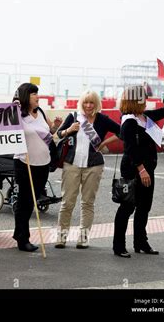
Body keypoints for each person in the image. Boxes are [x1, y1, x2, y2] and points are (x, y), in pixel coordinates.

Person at [113, 75, 164, 258]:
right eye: (144, 98)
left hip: (148, 169)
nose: (146, 100)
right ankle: (119, 246)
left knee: (144, 206)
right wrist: (141, 169)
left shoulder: (145, 117)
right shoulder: (129, 122)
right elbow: (130, 149)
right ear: (134, 100)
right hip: (134, 170)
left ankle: (140, 242)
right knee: (127, 207)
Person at [55, 90, 121, 249]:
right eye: (86, 102)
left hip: (94, 166)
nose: (88, 105)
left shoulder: (103, 119)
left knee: (88, 203)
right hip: (72, 164)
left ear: (96, 104)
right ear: (81, 103)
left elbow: (122, 132)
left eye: (92, 102)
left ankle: (83, 239)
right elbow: (59, 133)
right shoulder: (74, 116)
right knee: (67, 202)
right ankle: (61, 238)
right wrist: (69, 129)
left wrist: (104, 143)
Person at [12, 83, 62, 252]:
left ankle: (20, 234)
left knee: (32, 201)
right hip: (25, 163)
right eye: (33, 93)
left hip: (43, 164)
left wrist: (55, 126)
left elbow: (49, 133)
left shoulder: (40, 112)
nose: (37, 96)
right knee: (24, 202)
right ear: (26, 96)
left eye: (37, 93)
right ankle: (22, 238)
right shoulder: (18, 114)